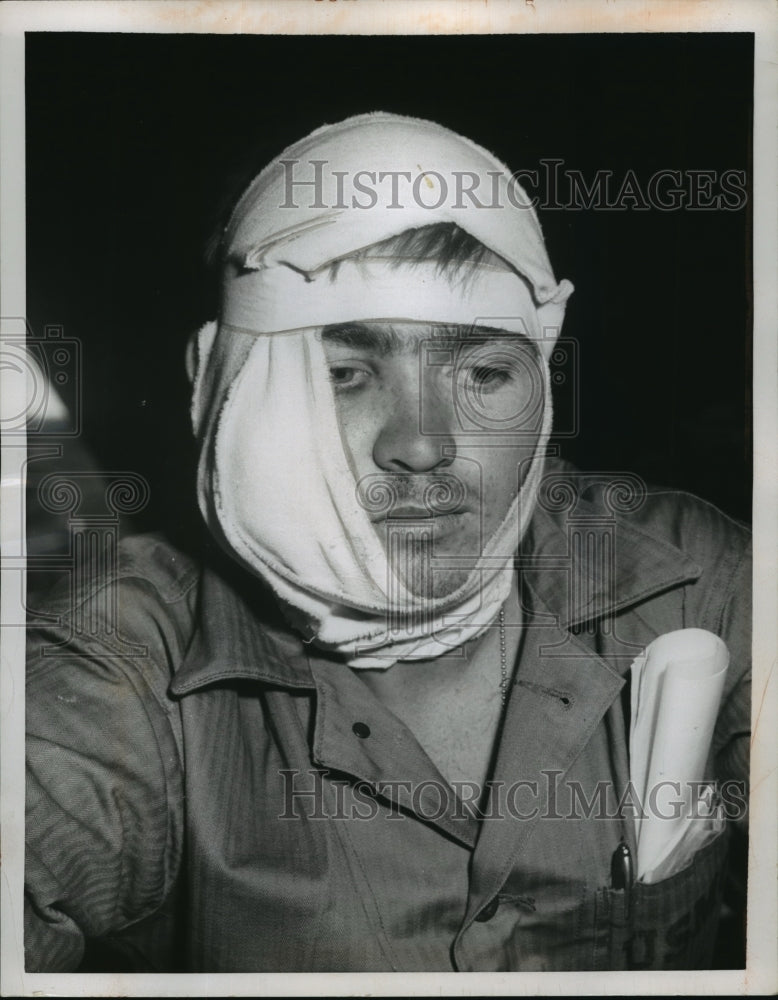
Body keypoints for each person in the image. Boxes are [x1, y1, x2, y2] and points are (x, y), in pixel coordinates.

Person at [24, 113, 750, 973]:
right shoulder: (123, 663)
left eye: (482, 375)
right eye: (346, 375)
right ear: (222, 385)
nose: (423, 443)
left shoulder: (687, 576)